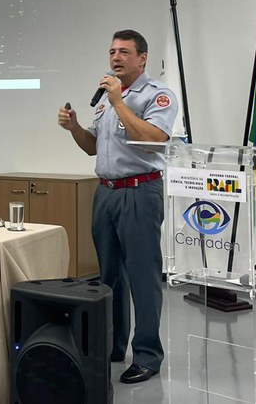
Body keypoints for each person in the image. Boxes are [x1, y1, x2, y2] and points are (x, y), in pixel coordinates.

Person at [58, 29, 177, 385]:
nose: (116, 58)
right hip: (106, 193)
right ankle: (112, 345)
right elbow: (92, 148)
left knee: (143, 277)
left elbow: (155, 141)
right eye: (112, 51)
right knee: (108, 277)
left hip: (139, 193)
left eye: (124, 51)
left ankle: (147, 356)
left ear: (142, 58)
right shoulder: (105, 101)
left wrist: (120, 103)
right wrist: (74, 126)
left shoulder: (157, 96)